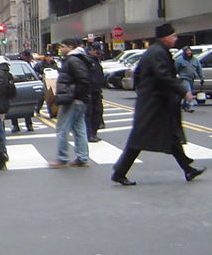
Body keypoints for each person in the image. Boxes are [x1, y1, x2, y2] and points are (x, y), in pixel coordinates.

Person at [111, 23, 203, 186]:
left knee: (168, 135)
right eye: (173, 36)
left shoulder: (155, 51)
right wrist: (184, 91)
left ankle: (188, 168)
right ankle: (120, 172)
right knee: (139, 139)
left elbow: (139, 74)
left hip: (153, 101)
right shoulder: (158, 53)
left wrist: (142, 92)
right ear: (164, 37)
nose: (175, 39)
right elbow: (164, 76)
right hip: (154, 103)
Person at [48, 38, 91, 168]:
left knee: (62, 129)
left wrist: (75, 96)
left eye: (63, 46)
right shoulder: (77, 59)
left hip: (72, 100)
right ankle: (82, 158)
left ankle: (62, 158)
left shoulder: (72, 60)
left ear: (71, 47)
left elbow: (83, 80)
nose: (60, 49)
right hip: (77, 99)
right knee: (79, 129)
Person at [84, 42, 106, 141]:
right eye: (96, 51)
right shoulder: (86, 60)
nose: (98, 54)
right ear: (91, 49)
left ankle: (94, 133)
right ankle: (89, 135)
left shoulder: (96, 60)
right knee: (89, 114)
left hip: (97, 92)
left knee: (97, 112)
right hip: (89, 92)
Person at [174, 46, 205, 113]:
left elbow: (199, 69)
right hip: (183, 79)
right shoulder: (179, 60)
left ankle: (183, 105)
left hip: (191, 79)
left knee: (185, 93)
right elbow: (175, 70)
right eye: (187, 51)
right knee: (188, 92)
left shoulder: (195, 60)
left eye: (190, 51)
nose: (189, 52)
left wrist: (201, 77)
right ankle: (189, 106)